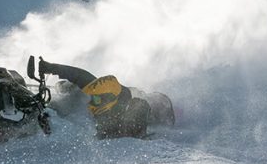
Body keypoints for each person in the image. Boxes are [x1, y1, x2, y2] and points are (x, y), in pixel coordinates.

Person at [37, 58, 175, 139]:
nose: (92, 103)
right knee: (75, 88)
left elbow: (122, 135)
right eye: (92, 98)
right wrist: (51, 67)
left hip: (160, 105)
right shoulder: (102, 91)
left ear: (109, 100)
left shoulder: (131, 114)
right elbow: (79, 75)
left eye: (96, 100)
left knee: (141, 102)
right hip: (128, 93)